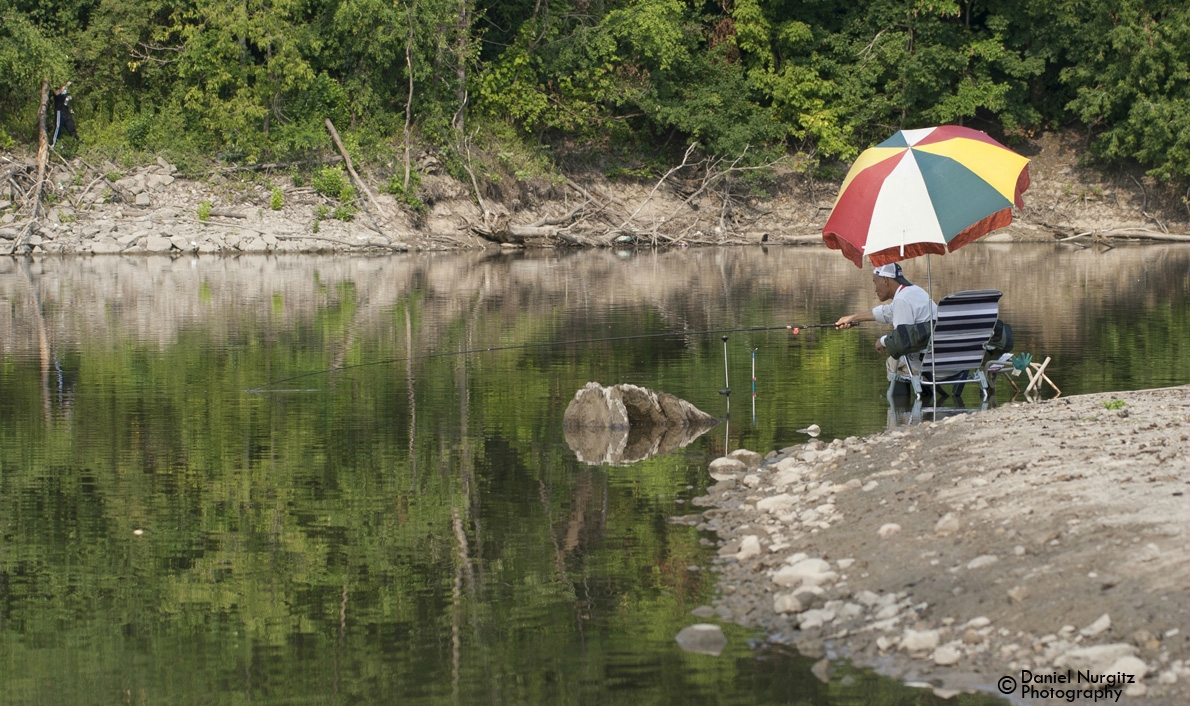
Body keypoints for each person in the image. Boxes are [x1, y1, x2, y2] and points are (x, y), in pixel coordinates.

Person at [835, 263, 936, 381]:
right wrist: (853, 318)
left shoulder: (901, 300)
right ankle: (925, 397)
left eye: (875, 282)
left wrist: (882, 341)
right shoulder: (914, 291)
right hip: (948, 361)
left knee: (894, 363)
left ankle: (902, 399)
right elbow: (887, 312)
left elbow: (901, 341)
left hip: (929, 366)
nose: (875, 289)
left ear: (885, 280)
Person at [51, 81, 78, 147]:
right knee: (58, 127)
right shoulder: (57, 93)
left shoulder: (66, 95)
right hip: (59, 111)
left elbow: (68, 103)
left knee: (71, 126)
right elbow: (56, 93)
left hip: (66, 112)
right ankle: (54, 144)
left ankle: (77, 142)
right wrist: (66, 85)